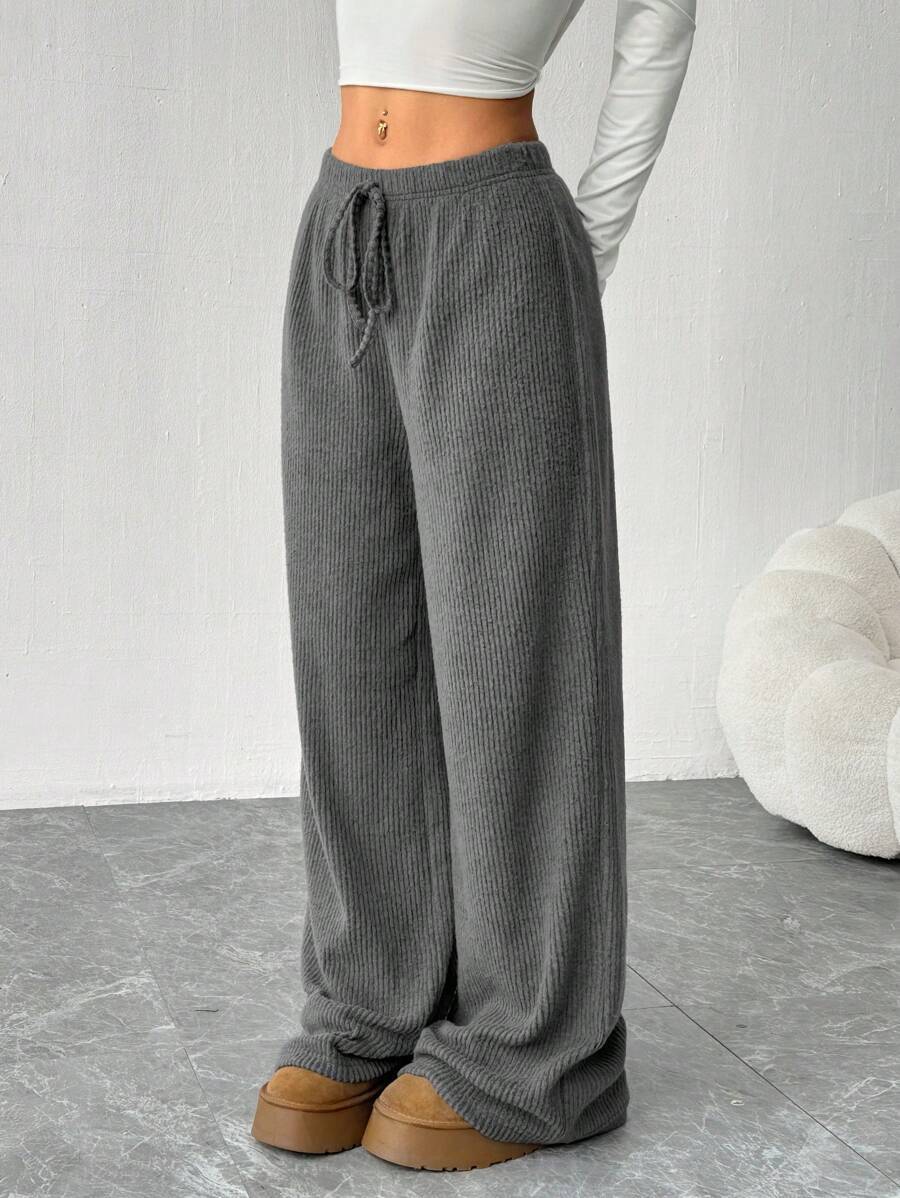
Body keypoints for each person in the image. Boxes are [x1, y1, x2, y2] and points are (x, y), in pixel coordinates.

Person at [252, 0, 696, 1172]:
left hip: (495, 223)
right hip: (344, 216)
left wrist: (584, 242)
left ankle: (537, 1049)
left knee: (514, 650)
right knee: (352, 634)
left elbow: (662, 16)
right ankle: (372, 999)